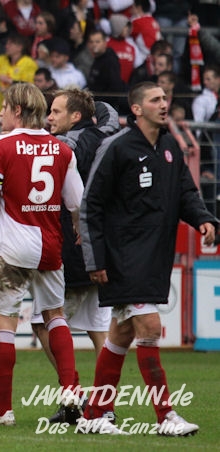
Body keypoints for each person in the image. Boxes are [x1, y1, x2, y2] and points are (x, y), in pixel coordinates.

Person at [79, 81, 215, 436]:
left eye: (165, 98)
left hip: (153, 256)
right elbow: (90, 205)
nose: (164, 104)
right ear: (136, 109)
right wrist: (95, 259)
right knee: (150, 328)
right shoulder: (117, 147)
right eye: (155, 100)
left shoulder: (170, 146)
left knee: (122, 334)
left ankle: (94, 414)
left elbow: (185, 190)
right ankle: (166, 416)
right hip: (123, 257)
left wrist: (203, 218)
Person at [0, 83, 84, 427]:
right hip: (50, 245)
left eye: (5, 107)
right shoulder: (62, 150)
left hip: (12, 245)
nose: (0, 114)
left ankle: (4, 411)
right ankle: (70, 390)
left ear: (18, 111)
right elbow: (76, 204)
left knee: (4, 326)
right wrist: (79, 231)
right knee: (55, 316)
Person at [38, 88, 119, 424]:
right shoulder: (105, 134)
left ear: (74, 117)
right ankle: (105, 407)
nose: (49, 119)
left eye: (55, 111)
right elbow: (108, 114)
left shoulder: (67, 146)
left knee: (44, 321)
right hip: (99, 247)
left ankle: (75, 395)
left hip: (71, 248)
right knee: (100, 331)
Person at [0, 33, 38, 115]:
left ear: (20, 47)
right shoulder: (2, 59)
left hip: (18, 107)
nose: (6, 46)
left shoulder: (29, 63)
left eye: (10, 44)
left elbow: (30, 85)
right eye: (7, 44)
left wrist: (10, 81)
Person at [86, 29, 127, 110]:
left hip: (106, 107)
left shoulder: (110, 61)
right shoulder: (97, 59)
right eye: (91, 42)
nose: (94, 45)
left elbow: (115, 87)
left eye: (97, 42)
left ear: (105, 43)